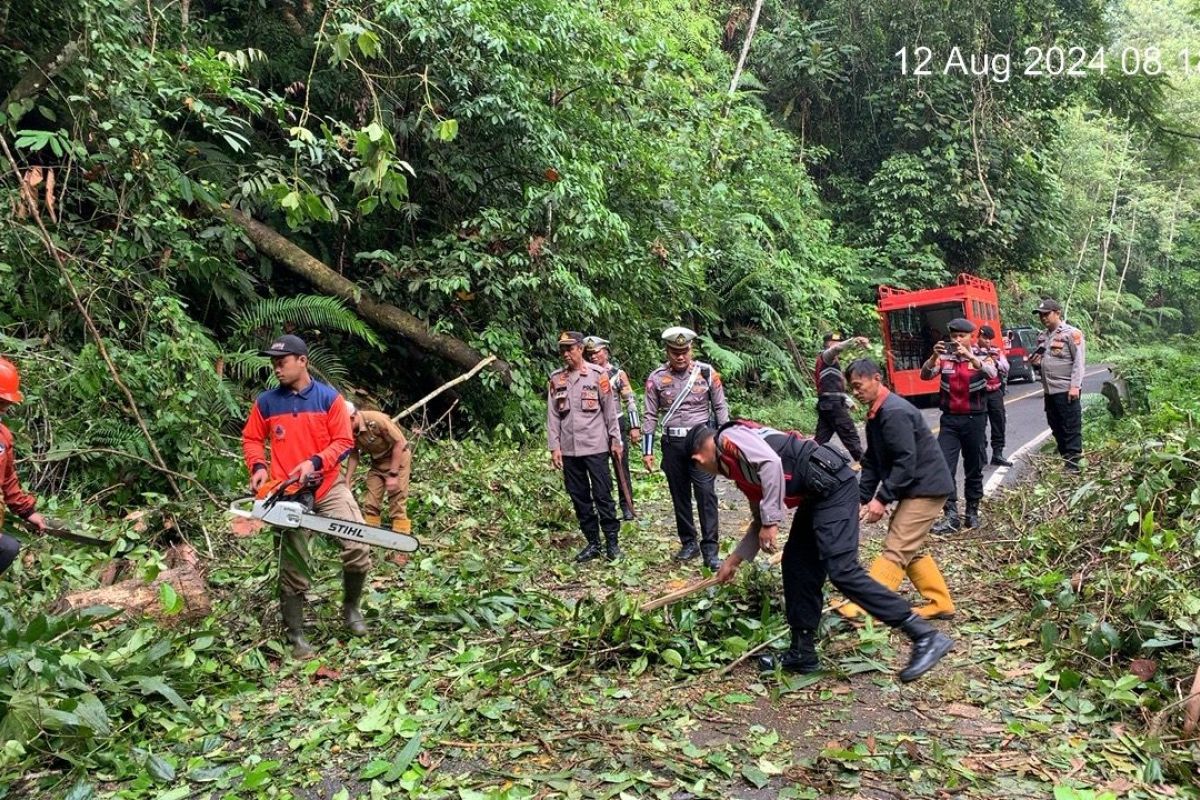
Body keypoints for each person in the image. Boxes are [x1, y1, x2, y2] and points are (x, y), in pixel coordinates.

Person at [690, 421, 953, 683]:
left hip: (834, 487)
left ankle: (924, 635)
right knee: (797, 565)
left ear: (698, 457)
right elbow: (759, 521)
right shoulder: (738, 468)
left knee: (843, 570)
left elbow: (771, 463)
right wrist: (734, 561)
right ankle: (802, 653)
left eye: (698, 468)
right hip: (816, 493)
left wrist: (772, 522)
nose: (704, 473)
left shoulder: (729, 439)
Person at [242, 334, 372, 658]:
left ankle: (351, 608)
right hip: (288, 492)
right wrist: (258, 466)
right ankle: (296, 635)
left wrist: (315, 461)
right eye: (273, 362)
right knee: (293, 566)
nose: (277, 368)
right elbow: (252, 438)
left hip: (327, 485)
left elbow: (343, 442)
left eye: (282, 362)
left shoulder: (330, 399)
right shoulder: (267, 402)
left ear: (302, 361)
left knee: (358, 543)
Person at [842, 359, 955, 620]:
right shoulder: (877, 413)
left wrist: (882, 499)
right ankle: (940, 602)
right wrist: (860, 498)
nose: (856, 392)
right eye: (852, 388)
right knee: (909, 544)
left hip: (927, 487)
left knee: (897, 546)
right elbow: (872, 462)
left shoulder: (894, 412)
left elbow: (906, 461)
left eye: (859, 385)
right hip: (917, 487)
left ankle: (867, 608)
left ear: (876, 379)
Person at [642, 327, 730, 570]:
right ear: (667, 351)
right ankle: (688, 542)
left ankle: (710, 549)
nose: (680, 356)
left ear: (692, 349)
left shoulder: (707, 373)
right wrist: (647, 450)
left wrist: (725, 440)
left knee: (706, 493)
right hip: (673, 443)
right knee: (679, 494)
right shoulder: (656, 378)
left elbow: (721, 408)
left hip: (702, 441)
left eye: (684, 351)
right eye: (674, 352)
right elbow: (649, 414)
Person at [547, 331, 624, 562]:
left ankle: (612, 543)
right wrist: (554, 447)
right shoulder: (556, 379)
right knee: (579, 497)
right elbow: (552, 415)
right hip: (570, 450)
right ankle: (593, 543)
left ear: (580, 349)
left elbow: (610, 411)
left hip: (596, 446)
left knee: (603, 495)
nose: (566, 354)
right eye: (562, 349)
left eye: (570, 348)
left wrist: (615, 440)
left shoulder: (598, 375)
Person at [921, 319, 997, 534]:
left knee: (974, 467)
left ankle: (972, 512)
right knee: (943, 466)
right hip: (950, 420)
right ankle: (951, 514)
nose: (957, 340)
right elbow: (925, 375)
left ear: (970, 337)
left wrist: (970, 357)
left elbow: (993, 374)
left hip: (975, 419)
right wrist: (934, 355)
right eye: (953, 336)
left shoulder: (982, 356)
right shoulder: (944, 358)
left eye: (961, 336)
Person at [583, 336, 641, 520]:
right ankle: (607, 506)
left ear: (605, 353)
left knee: (621, 467)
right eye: (590, 353)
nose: (593, 356)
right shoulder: (587, 374)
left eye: (596, 352)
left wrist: (635, 426)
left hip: (616, 422)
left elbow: (629, 400)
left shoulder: (617, 374)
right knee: (600, 469)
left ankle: (627, 505)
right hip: (595, 426)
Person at [0, 358, 48, 576]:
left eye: (5, 404)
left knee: (8, 548)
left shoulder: (3, 438)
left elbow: (8, 479)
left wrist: (27, 511)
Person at [1030, 299, 1085, 471]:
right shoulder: (1042, 337)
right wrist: (1035, 363)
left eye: (1046, 314)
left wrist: (1075, 386)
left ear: (1057, 313)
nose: (1043, 318)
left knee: (1071, 427)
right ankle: (1066, 459)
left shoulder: (1072, 333)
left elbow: (1079, 362)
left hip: (1066, 389)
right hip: (1049, 391)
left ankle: (1074, 465)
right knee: (1055, 425)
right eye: (1040, 315)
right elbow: (1042, 363)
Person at [344, 402, 412, 539]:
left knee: (397, 498)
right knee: (371, 501)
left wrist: (393, 474)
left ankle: (400, 541)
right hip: (377, 463)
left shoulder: (376, 420)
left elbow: (399, 443)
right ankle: (371, 536)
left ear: (353, 418)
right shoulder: (350, 430)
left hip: (397, 459)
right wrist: (347, 480)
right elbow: (353, 454)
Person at [813, 333, 868, 463]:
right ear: (829, 344)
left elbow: (832, 387)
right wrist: (854, 341)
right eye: (835, 342)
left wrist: (848, 402)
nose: (838, 345)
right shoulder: (827, 356)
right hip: (833, 406)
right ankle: (869, 469)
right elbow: (835, 349)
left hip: (827, 405)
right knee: (851, 436)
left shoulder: (832, 362)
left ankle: (807, 465)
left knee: (819, 442)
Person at [975, 326, 1012, 467]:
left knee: (999, 422)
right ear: (978, 337)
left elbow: (1006, 367)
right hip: (978, 392)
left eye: (989, 339)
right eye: (984, 338)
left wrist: (995, 360)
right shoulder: (971, 351)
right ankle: (981, 455)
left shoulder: (996, 350)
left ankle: (998, 454)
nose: (987, 342)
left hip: (995, 392)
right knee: (979, 424)